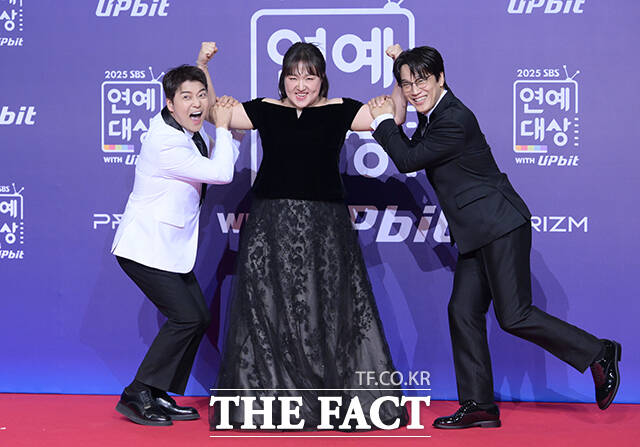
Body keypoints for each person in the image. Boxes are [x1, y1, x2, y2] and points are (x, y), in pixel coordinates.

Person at [368, 45, 621, 429]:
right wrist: (399, 69)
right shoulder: (434, 113)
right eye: (407, 84)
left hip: (500, 225)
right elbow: (414, 125)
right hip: (477, 232)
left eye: (422, 81)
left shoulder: (454, 119)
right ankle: (479, 405)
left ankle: (599, 352)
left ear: (441, 79)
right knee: (462, 311)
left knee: (515, 315)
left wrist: (384, 120)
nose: (414, 90)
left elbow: (407, 160)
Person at [210, 42, 409, 430]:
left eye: (309, 76)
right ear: (283, 79)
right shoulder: (265, 109)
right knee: (267, 309)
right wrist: (204, 67)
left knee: (325, 308)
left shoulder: (341, 109)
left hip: (325, 227)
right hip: (269, 225)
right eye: (293, 76)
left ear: (322, 80)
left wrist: (398, 65)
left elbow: (396, 117)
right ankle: (270, 403)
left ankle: (326, 401)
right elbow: (214, 113)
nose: (301, 85)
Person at [111, 42, 239, 426]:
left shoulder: (182, 127)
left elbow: (211, 125)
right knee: (186, 317)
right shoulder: (165, 142)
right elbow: (222, 172)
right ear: (170, 105)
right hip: (144, 248)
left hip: (167, 249)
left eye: (201, 96)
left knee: (196, 317)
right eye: (186, 97)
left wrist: (201, 66)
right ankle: (137, 393)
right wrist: (224, 127)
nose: (197, 103)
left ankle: (156, 392)